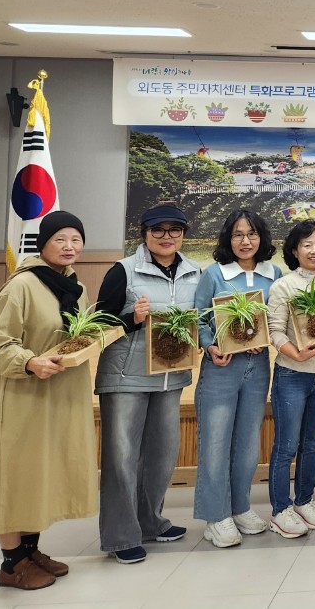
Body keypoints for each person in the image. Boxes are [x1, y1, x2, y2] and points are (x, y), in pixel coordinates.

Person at [0, 212, 96, 590]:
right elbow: (1, 345)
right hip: (24, 395)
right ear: (42, 243)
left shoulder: (74, 285)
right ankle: (11, 565)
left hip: (58, 395)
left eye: (76, 239)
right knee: (13, 474)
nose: (69, 246)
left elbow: (82, 331)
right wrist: (29, 362)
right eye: (61, 239)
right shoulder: (21, 285)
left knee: (39, 474)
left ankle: (29, 551)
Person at [95, 204, 201, 564]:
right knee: (121, 458)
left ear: (183, 234)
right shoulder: (123, 270)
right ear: (144, 233)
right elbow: (98, 323)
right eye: (159, 230)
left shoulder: (193, 272)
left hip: (171, 378)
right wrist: (131, 318)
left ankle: (151, 522)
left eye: (175, 230)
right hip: (125, 377)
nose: (167, 236)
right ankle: (120, 536)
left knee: (161, 455)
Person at [191, 209, 282, 547]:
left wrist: (268, 338)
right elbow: (198, 317)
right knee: (215, 442)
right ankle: (216, 516)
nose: (246, 241)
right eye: (238, 235)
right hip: (221, 368)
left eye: (252, 234)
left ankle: (240, 506)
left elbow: (278, 319)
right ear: (228, 239)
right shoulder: (214, 274)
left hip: (257, 368)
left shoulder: (273, 275)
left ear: (262, 238)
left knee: (247, 444)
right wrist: (210, 345)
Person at [265, 220, 315, 538]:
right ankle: (280, 509)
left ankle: (304, 501)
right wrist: (295, 354)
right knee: (286, 446)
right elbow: (274, 330)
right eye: (307, 244)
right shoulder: (283, 286)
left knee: (312, 443)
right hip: (292, 375)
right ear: (294, 250)